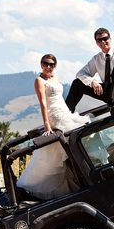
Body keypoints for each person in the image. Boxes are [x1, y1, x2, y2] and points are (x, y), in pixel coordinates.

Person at [17, 54, 90, 200]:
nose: (48, 66)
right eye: (45, 63)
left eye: (51, 64)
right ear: (41, 64)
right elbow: (43, 103)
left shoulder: (55, 78)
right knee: (73, 135)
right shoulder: (39, 80)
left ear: (55, 66)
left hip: (64, 111)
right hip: (54, 115)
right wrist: (47, 124)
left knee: (83, 130)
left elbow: (60, 98)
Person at [65, 28, 114, 113]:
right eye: (99, 40)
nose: (103, 42)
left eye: (105, 39)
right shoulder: (96, 59)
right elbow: (80, 73)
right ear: (96, 43)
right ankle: (65, 114)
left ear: (110, 39)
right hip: (109, 92)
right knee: (77, 83)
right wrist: (92, 82)